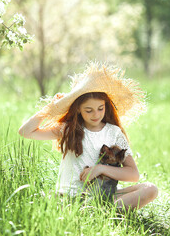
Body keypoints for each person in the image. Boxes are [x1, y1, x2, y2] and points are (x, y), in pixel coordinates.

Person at [18, 62, 158, 210]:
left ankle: (103, 211)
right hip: (71, 198)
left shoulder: (114, 132)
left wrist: (100, 169)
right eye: (89, 110)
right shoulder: (68, 129)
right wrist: (49, 109)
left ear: (106, 106)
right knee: (88, 204)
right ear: (78, 109)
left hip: (102, 196)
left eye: (100, 108)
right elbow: (26, 132)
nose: (96, 115)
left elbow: (133, 174)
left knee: (151, 189)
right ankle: (103, 214)